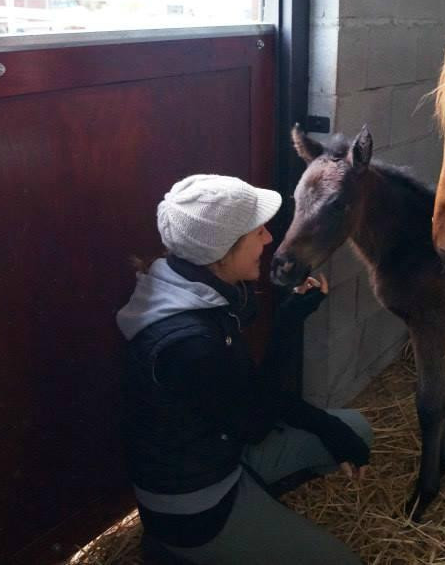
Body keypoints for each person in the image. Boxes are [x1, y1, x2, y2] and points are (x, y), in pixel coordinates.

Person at [116, 174, 373, 565]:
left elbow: (247, 396)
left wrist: (290, 315)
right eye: (258, 231)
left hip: (223, 451)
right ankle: (180, 551)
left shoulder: (187, 284)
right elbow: (257, 418)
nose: (269, 239)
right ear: (222, 252)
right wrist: (288, 327)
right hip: (195, 505)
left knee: (358, 429)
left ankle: (254, 514)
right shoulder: (188, 342)